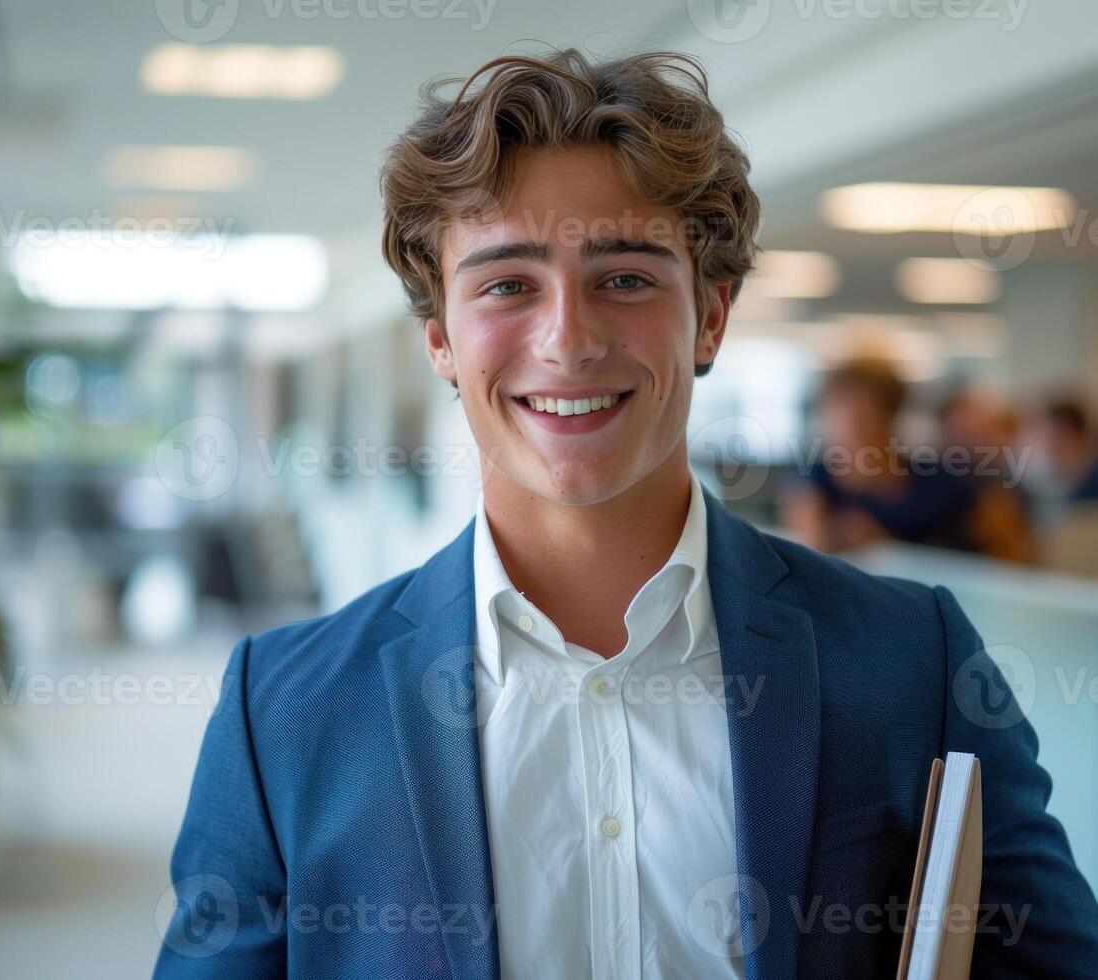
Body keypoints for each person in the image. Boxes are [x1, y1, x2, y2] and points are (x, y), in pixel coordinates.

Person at [155, 49, 1098, 979]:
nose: (568, 339)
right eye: (507, 284)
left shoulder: (908, 658)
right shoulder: (283, 708)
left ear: (712, 317)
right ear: (440, 338)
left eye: (626, 278)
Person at [781, 358, 1034, 563]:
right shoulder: (812, 482)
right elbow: (809, 551)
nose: (849, 424)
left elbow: (1002, 553)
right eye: (838, 409)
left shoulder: (941, 482)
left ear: (889, 414)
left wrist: (887, 548)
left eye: (863, 411)